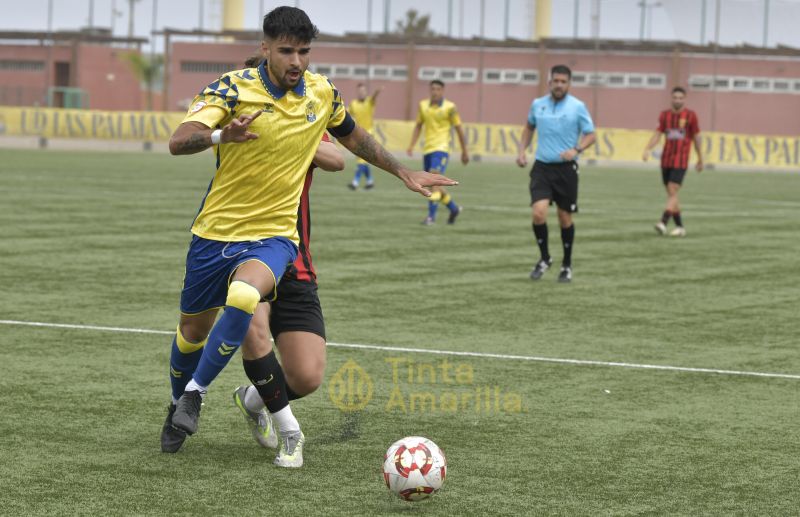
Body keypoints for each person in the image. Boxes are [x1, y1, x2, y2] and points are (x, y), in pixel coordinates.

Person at [161, 6, 457, 465]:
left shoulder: (321, 93)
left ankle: (198, 394)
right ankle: (178, 401)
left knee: (244, 298)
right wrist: (222, 135)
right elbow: (178, 142)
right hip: (215, 233)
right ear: (265, 49)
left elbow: (354, 139)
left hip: (275, 237)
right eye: (286, 51)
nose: (296, 60)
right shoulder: (231, 87)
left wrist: (401, 170)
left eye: (303, 51)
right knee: (191, 331)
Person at [516, 64, 596, 283]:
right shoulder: (537, 104)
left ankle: (567, 265)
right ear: (549, 82)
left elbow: (591, 135)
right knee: (538, 213)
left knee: (564, 217)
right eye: (556, 81)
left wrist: (577, 149)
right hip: (542, 167)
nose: (559, 85)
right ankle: (545, 259)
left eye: (563, 82)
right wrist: (522, 150)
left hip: (566, 170)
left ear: (569, 84)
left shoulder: (578, 107)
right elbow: (529, 127)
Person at [642, 86, 703, 237]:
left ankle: (663, 222)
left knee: (672, 189)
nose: (677, 100)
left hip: (681, 160)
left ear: (684, 99)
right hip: (666, 160)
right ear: (671, 98)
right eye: (675, 97)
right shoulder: (664, 115)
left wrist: (701, 158)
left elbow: (696, 137)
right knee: (671, 193)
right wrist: (647, 148)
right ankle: (680, 227)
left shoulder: (691, 116)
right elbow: (657, 134)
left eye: (680, 98)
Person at [407, 80, 469, 225]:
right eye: (433, 89)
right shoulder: (423, 105)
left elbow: (459, 129)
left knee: (434, 181)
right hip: (428, 149)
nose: (435, 92)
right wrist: (411, 145)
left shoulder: (450, 107)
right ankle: (453, 209)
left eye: (438, 89)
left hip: (442, 149)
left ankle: (431, 217)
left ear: (443, 91)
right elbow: (418, 126)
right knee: (432, 185)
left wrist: (464, 151)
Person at [348, 83, 382, 190]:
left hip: (369, 135)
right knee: (364, 160)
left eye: (363, 91)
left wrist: (377, 91)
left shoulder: (369, 102)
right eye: (360, 91)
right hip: (358, 134)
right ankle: (370, 181)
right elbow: (346, 113)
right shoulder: (353, 104)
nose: (361, 93)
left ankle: (355, 182)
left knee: (361, 160)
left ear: (366, 92)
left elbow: (374, 97)